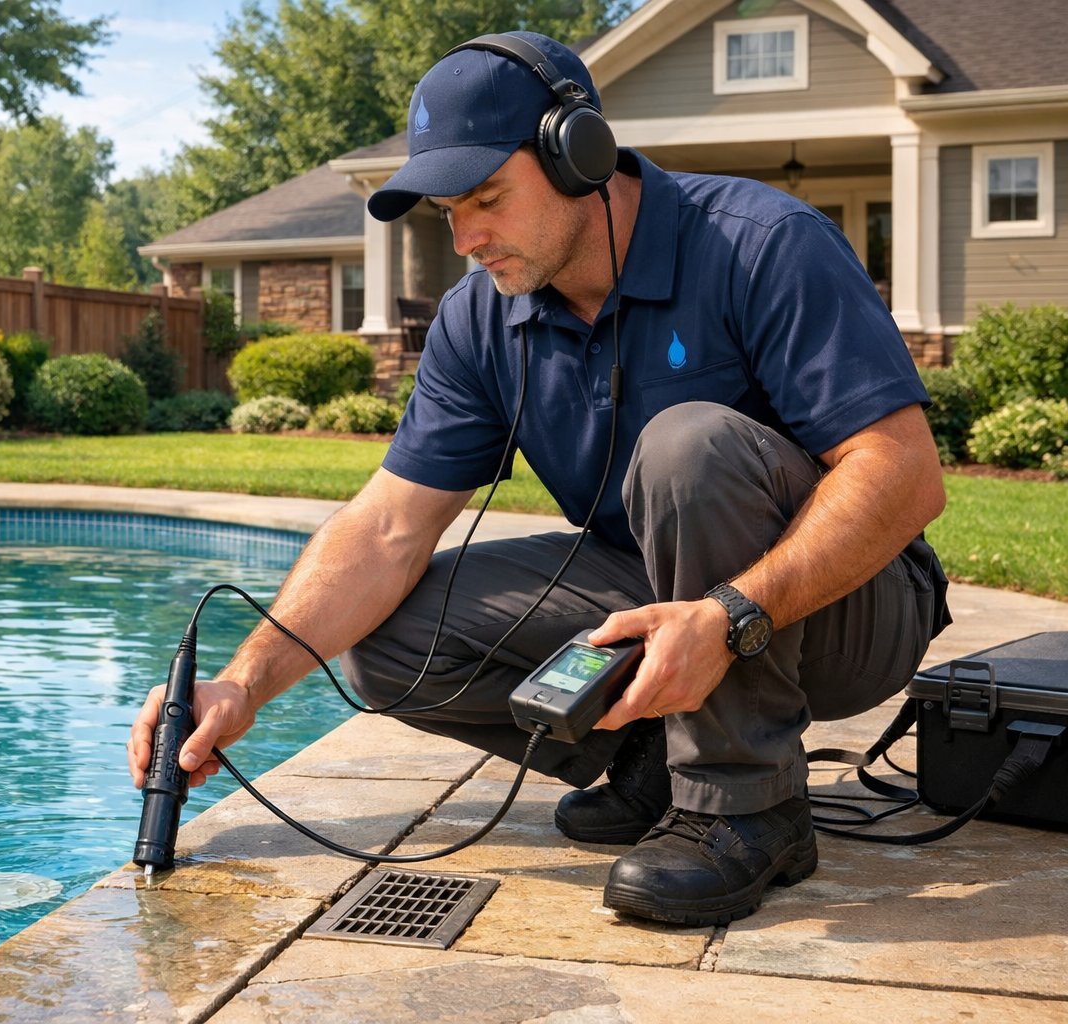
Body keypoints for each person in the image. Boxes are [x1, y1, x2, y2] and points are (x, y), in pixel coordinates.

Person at [128, 30, 950, 927]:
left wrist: (728, 616)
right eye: (449, 211)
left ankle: (744, 805)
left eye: (487, 199)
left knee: (689, 446)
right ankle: (657, 757)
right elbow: (386, 530)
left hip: (849, 610)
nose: (467, 238)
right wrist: (243, 684)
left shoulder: (761, 243)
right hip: (651, 592)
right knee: (386, 646)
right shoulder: (480, 319)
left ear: (578, 154)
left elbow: (903, 476)